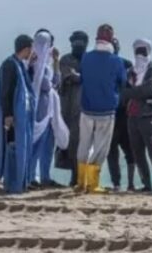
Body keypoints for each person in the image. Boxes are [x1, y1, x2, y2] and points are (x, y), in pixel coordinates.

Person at [77, 24, 127, 194]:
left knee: (84, 145)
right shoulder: (116, 61)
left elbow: (82, 77)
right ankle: (92, 184)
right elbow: (123, 81)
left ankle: (80, 182)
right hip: (106, 111)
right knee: (100, 148)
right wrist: (117, 53)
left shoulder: (86, 57)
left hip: (86, 108)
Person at [123, 39, 152, 192]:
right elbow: (124, 90)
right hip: (132, 116)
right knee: (137, 153)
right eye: (137, 51)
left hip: (147, 116)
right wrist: (133, 93)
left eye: (142, 51)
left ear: (148, 52)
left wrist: (129, 93)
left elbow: (150, 89)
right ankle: (147, 185)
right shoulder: (130, 71)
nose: (140, 54)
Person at [0, 34, 35, 194]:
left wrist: (31, 66)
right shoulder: (10, 65)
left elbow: (26, 85)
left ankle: (19, 181)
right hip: (14, 116)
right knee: (13, 146)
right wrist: (8, 114)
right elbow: (7, 91)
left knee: (19, 146)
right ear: (26, 49)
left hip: (20, 116)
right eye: (31, 48)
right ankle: (12, 182)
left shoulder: (19, 65)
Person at [28, 29, 65, 188]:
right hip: (37, 112)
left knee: (48, 147)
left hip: (49, 113)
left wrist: (56, 62)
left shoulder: (47, 65)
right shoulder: (31, 64)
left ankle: (45, 177)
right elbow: (46, 85)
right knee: (35, 146)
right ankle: (30, 177)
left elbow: (56, 82)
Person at [55, 31, 88, 187]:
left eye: (81, 43)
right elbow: (70, 76)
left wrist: (80, 76)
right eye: (76, 43)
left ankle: (82, 177)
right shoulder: (66, 59)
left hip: (86, 108)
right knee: (71, 144)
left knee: (84, 144)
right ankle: (75, 177)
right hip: (68, 108)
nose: (78, 45)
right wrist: (80, 77)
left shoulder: (90, 59)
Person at [107, 37, 136, 191]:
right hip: (110, 112)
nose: (114, 47)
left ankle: (130, 183)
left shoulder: (127, 64)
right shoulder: (103, 65)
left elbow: (132, 86)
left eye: (115, 45)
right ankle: (116, 183)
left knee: (130, 149)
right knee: (111, 151)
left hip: (125, 113)